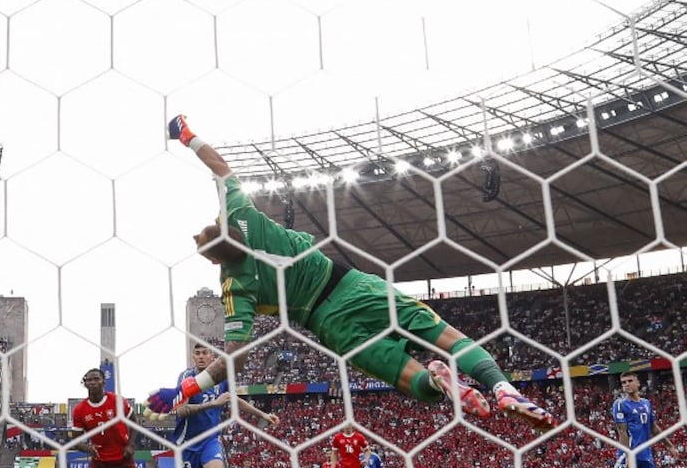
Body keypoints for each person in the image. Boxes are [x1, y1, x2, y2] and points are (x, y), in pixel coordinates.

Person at [147, 115, 556, 433]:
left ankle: (438, 383)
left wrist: (186, 387)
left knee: (408, 381)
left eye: (198, 241)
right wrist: (187, 135)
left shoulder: (236, 286)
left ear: (216, 259)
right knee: (445, 336)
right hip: (354, 285)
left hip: (329, 325)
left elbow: (234, 360)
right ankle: (503, 387)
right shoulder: (241, 213)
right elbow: (220, 167)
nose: (195, 234)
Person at [154, 342, 278, 468]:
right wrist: (212, 404)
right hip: (187, 442)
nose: (201, 357)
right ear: (193, 357)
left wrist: (263, 415)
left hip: (211, 438)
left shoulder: (222, 378)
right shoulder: (186, 379)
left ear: (212, 356)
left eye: (205, 353)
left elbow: (234, 400)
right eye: (198, 353)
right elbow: (181, 411)